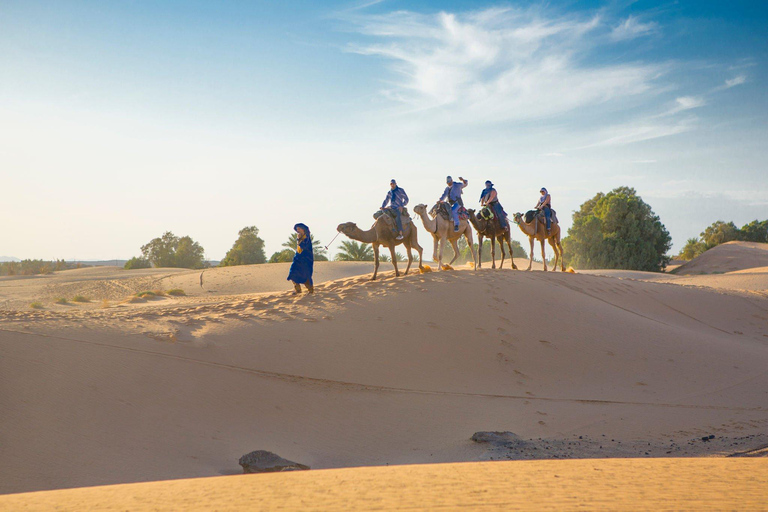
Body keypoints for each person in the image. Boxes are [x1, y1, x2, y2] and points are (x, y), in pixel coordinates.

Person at [287, 223, 314, 294]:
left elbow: (304, 246)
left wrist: (299, 239)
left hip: (306, 260)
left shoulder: (307, 238)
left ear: (303, 229)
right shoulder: (300, 237)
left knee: (305, 275)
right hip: (298, 259)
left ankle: (310, 290)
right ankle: (298, 289)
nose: (297, 230)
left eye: (299, 229)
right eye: (297, 229)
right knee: (293, 272)